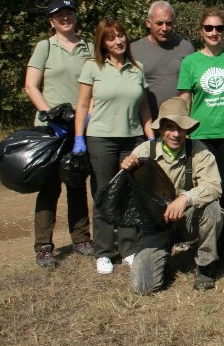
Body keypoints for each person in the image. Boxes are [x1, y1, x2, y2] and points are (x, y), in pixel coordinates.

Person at [74, 18, 155, 275]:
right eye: (111, 38)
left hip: (132, 139)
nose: (118, 41)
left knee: (129, 193)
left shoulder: (137, 68)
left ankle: (129, 248)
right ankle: (104, 251)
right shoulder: (93, 68)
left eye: (121, 35)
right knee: (104, 192)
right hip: (101, 138)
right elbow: (83, 105)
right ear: (103, 43)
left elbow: (143, 107)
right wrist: (79, 138)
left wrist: (151, 138)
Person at [119, 97, 224, 293]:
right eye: (169, 127)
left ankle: (205, 266)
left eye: (181, 128)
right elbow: (120, 193)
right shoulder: (143, 151)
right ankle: (160, 254)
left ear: (188, 130)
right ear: (160, 129)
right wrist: (126, 170)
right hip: (155, 225)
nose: (176, 134)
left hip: (186, 219)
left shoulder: (199, 150)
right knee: (143, 287)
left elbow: (214, 185)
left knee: (213, 209)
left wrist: (185, 199)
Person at [24, 0, 94, 268]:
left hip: (79, 125)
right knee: (49, 187)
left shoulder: (88, 46)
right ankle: (44, 247)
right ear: (51, 21)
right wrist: (49, 116)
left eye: (69, 14)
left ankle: (82, 239)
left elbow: (96, 82)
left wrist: (86, 118)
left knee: (77, 182)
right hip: (50, 130)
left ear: (75, 17)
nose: (66, 18)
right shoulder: (45, 47)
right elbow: (31, 86)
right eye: (59, 15)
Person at [177, 8, 224, 260]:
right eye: (209, 28)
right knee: (201, 189)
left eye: (219, 28)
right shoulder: (190, 62)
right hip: (200, 135)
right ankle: (200, 238)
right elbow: (185, 101)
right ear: (200, 31)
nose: (214, 33)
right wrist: (183, 133)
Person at [131, 0, 194, 119]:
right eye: (159, 23)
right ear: (148, 23)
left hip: (178, 124)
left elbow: (193, 90)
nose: (164, 28)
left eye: (169, 23)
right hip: (145, 124)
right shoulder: (134, 50)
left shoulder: (186, 48)